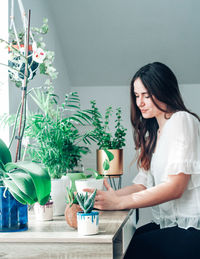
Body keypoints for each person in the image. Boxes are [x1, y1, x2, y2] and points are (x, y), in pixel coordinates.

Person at [85, 62, 200, 259]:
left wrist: (119, 202)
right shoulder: (153, 136)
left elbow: (175, 188)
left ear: (164, 90)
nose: (140, 103)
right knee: (123, 243)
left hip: (191, 227)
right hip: (169, 223)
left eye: (147, 95)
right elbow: (141, 185)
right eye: (137, 96)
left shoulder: (182, 120)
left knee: (131, 248)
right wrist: (104, 199)